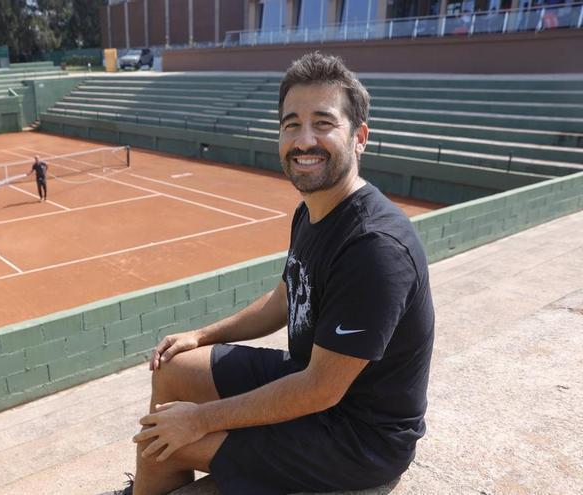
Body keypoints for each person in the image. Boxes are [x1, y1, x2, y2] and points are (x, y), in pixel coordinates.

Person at [122, 52, 435, 495]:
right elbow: (289, 296)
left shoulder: (375, 249)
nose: (304, 140)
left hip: (358, 440)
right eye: (292, 124)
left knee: (172, 435)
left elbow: (320, 390)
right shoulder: (313, 212)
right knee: (174, 370)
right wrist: (202, 336)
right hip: (310, 380)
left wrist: (199, 420)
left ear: (359, 137)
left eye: (323, 123)